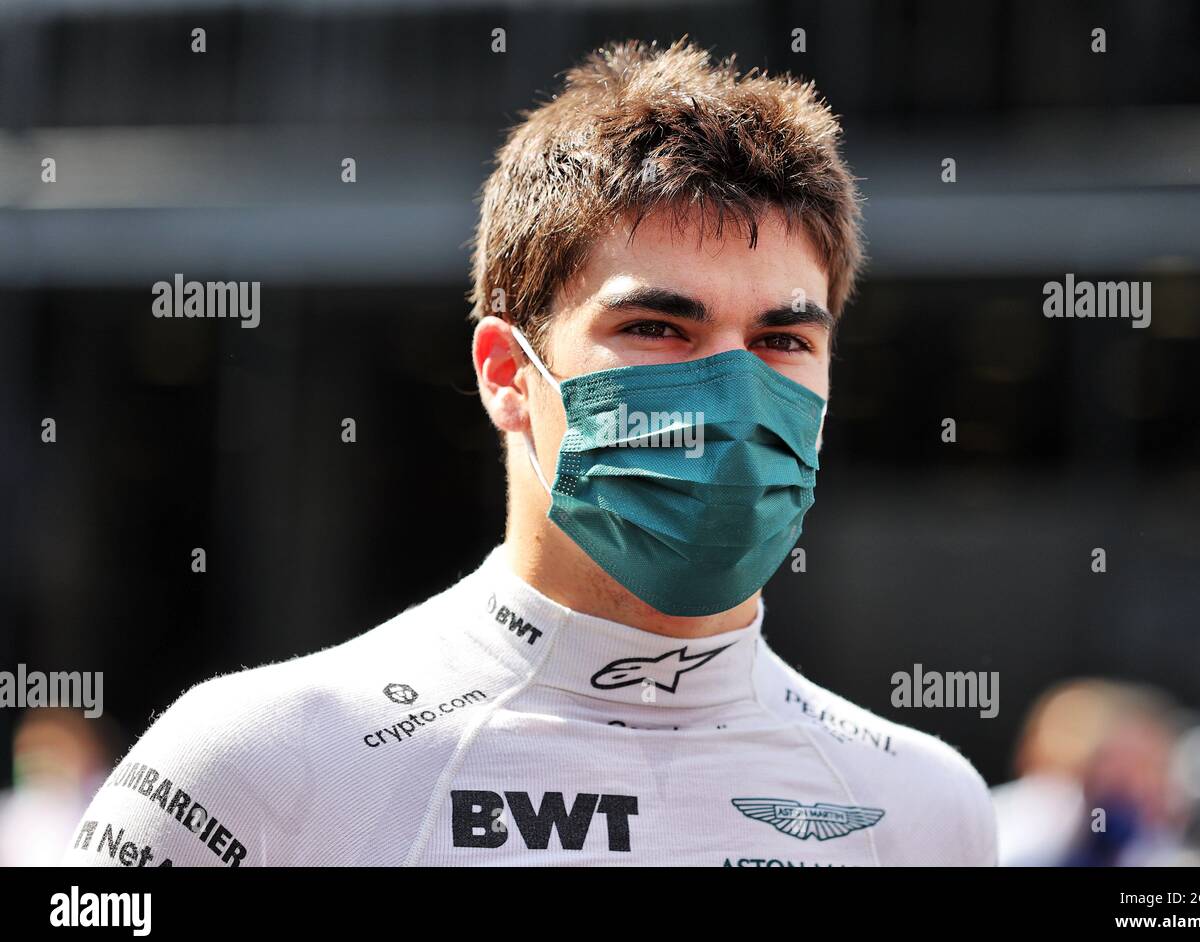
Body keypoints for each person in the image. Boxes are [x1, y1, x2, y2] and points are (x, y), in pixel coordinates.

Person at [62, 38, 995, 867]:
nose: (733, 390)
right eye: (659, 327)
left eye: (783, 341)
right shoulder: (261, 765)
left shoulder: (926, 805)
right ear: (509, 374)